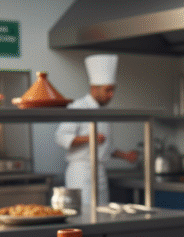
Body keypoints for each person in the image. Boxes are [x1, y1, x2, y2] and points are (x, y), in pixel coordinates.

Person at [54, 54, 138, 212]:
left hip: (100, 172)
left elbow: (106, 146)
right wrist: (90, 138)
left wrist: (125, 156)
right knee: (84, 215)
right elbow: (61, 137)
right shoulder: (78, 107)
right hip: (81, 173)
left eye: (113, 90)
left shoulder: (103, 112)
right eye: (108, 90)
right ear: (94, 88)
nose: (111, 95)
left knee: (101, 213)